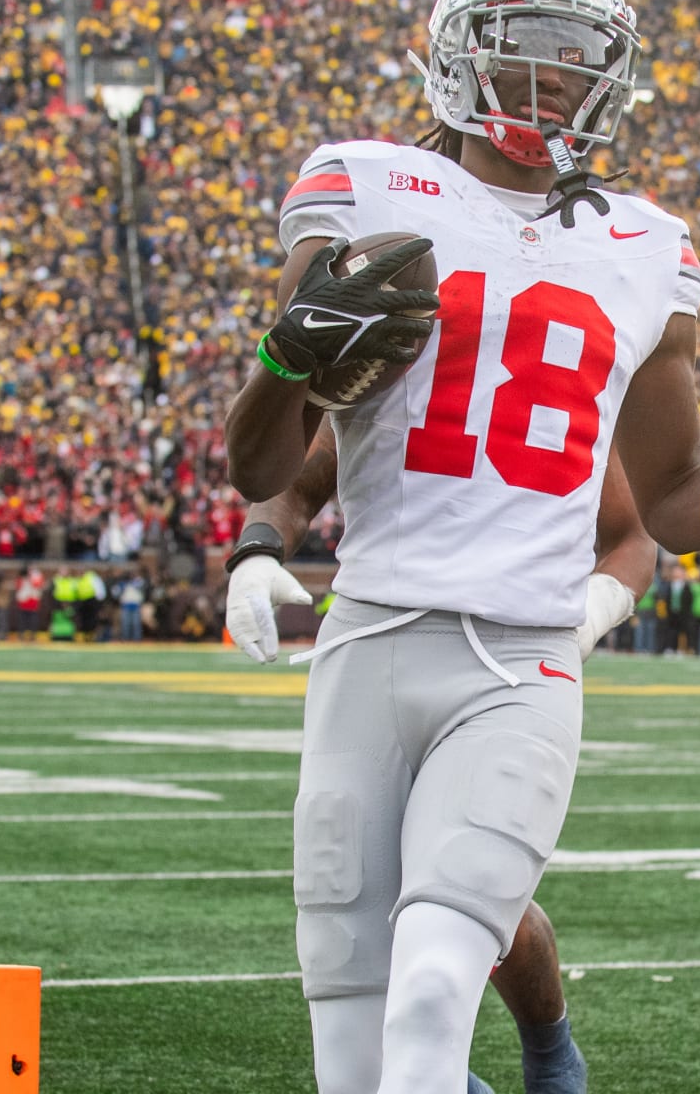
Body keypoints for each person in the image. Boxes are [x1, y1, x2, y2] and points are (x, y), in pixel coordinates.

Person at [221, 0, 700, 1094]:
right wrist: (284, 356)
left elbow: (674, 502)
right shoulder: (360, 183)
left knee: (434, 984)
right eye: (526, 56)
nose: (554, 84)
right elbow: (262, 460)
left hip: (521, 662)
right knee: (350, 1043)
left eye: (579, 61)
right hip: (367, 639)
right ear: (460, 59)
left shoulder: (647, 249)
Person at [225, 420, 657, 1093]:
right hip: (373, 652)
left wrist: (591, 613)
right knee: (362, 934)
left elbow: (634, 538)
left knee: (469, 898)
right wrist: (256, 550)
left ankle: (550, 1051)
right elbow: (292, 481)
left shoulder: (567, 364)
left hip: (509, 661)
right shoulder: (391, 345)